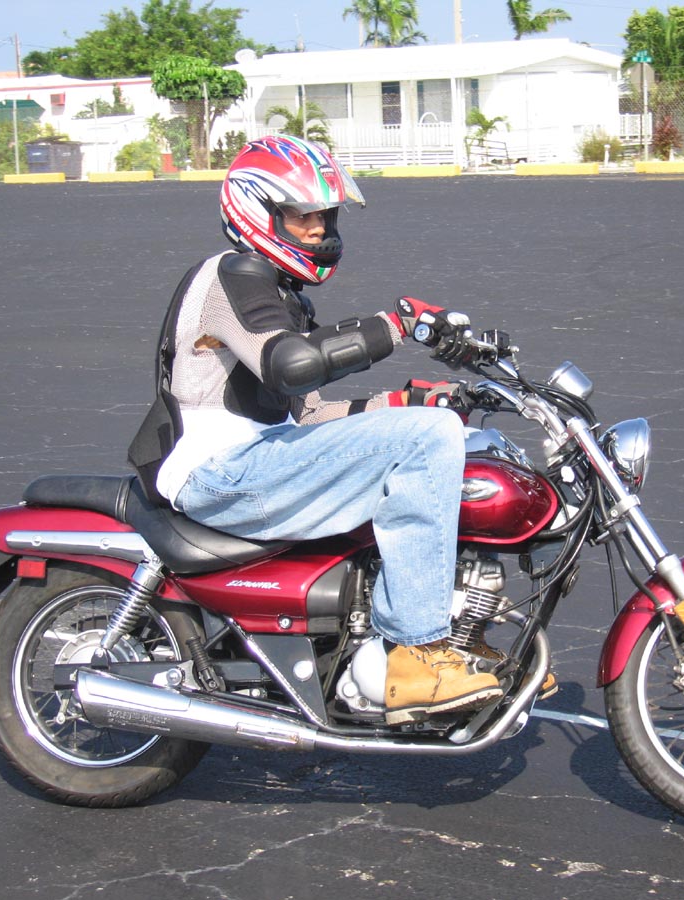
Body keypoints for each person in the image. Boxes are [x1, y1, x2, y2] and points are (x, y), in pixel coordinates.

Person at [139, 134, 501, 725]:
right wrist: (397, 325)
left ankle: (448, 632)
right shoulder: (233, 274)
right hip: (218, 469)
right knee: (428, 437)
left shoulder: (281, 296)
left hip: (263, 456)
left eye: (324, 216)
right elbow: (290, 364)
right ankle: (415, 652)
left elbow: (306, 415)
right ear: (258, 213)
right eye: (300, 215)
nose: (316, 229)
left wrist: (407, 401)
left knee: (445, 431)